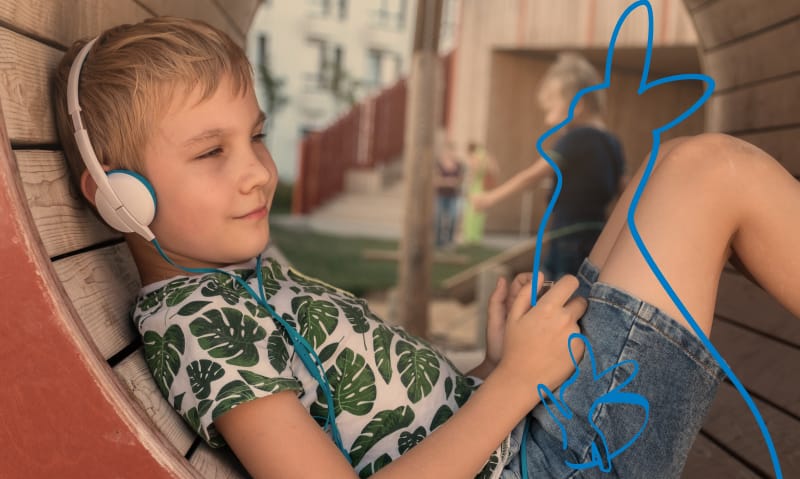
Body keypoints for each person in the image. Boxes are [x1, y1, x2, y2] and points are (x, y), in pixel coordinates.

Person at [53, 17, 800, 479]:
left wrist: (497, 367)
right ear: (120, 196)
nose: (256, 168)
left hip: (530, 435)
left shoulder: (235, 289)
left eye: (253, 135)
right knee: (707, 171)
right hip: (558, 463)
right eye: (211, 152)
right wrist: (514, 386)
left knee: (657, 182)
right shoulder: (199, 327)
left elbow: (384, 424)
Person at [472, 53, 627, 279]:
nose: (548, 120)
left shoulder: (575, 139)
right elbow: (626, 190)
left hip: (567, 236)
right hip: (598, 236)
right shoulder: (613, 142)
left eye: (552, 109)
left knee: (557, 289)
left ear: (578, 105)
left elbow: (530, 176)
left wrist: (490, 199)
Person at [460, 142, 500, 245]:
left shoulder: (476, 156)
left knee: (472, 212)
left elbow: (475, 171)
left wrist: (469, 181)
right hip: (484, 186)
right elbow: (495, 170)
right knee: (480, 213)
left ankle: (470, 237)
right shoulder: (487, 156)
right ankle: (477, 236)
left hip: (477, 186)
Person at [433, 141, 464, 248]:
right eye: (447, 151)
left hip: (453, 196)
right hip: (440, 195)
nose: (449, 153)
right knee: (438, 218)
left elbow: (460, 180)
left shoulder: (458, 165)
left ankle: (450, 241)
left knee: (453, 218)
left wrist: (454, 182)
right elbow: (435, 180)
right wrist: (447, 181)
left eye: (451, 151)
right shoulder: (439, 164)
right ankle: (438, 241)